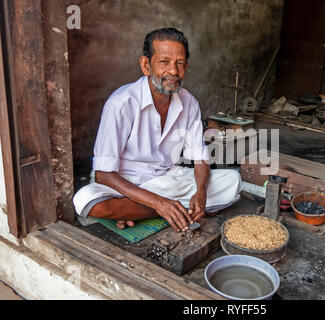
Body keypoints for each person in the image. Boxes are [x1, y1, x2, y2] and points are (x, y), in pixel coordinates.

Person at [73, 28, 241, 231]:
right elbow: (104, 175)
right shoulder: (121, 103)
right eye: (164, 62)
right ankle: (170, 207)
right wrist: (158, 203)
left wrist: (201, 193)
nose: (173, 71)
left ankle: (139, 210)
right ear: (146, 65)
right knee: (85, 200)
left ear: (185, 67)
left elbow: (200, 159)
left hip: (165, 181)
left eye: (179, 64)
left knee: (232, 180)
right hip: (123, 185)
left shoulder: (189, 103)